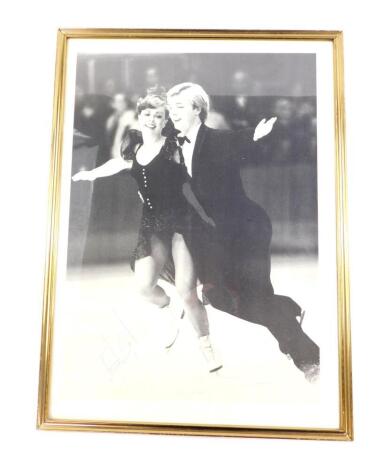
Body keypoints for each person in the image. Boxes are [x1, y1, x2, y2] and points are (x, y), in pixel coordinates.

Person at [166, 82, 320, 381]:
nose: (174, 113)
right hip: (220, 236)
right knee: (221, 297)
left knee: (256, 298)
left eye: (180, 107)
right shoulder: (175, 146)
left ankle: (309, 360)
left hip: (248, 229)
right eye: (171, 108)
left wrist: (254, 134)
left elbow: (235, 140)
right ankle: (288, 309)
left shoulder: (216, 140)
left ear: (197, 109)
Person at [72, 89, 222, 373]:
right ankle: (168, 308)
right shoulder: (134, 145)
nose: (151, 119)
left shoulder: (175, 146)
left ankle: (208, 350)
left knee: (187, 291)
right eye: (147, 114)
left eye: (158, 115)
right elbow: (121, 163)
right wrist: (92, 174)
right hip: (152, 225)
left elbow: (197, 163)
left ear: (166, 119)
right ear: (139, 116)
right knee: (143, 287)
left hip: (181, 224)